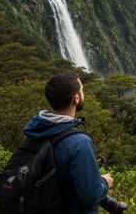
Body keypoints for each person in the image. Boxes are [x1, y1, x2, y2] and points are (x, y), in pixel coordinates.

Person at [22, 71, 113, 214]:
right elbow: (90, 196)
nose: (83, 94)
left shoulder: (36, 131)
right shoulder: (79, 143)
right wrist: (103, 183)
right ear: (76, 98)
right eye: (82, 90)